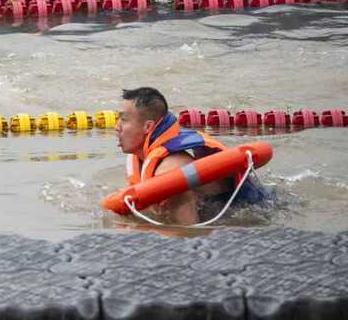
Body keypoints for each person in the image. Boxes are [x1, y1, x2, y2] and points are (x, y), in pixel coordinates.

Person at [115, 87, 269, 225]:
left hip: (253, 213)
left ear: (148, 126)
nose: (117, 127)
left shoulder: (170, 172)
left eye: (123, 120)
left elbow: (189, 234)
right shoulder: (141, 157)